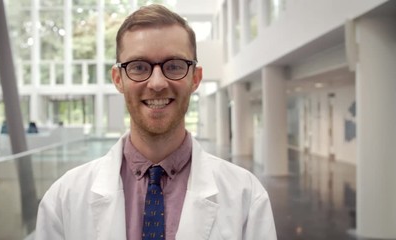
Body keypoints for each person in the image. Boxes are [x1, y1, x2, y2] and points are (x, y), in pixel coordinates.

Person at [35, 4, 276, 240]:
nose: (157, 83)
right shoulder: (64, 198)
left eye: (174, 66)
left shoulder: (246, 196)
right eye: (139, 67)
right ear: (118, 79)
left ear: (195, 78)